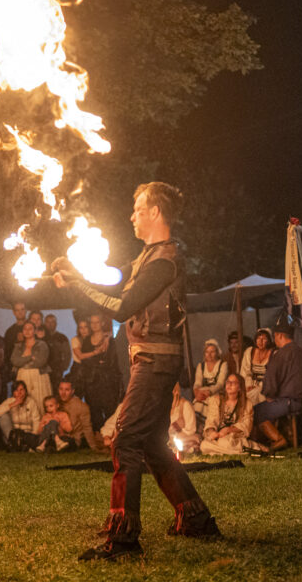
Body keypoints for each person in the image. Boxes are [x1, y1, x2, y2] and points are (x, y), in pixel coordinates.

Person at [53, 181, 219, 560]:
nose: (132, 215)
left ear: (155, 213)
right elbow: (113, 276)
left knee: (125, 439)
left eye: (138, 209)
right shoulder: (147, 258)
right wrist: (75, 269)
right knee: (153, 446)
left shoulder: (164, 261)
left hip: (157, 362)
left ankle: (123, 540)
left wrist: (78, 283)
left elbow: (122, 305)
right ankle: (195, 519)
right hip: (152, 360)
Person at [254, 317, 302, 451]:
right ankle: (285, 434)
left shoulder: (281, 354)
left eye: (275, 337)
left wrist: (269, 395)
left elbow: (271, 379)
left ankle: (278, 439)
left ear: (279, 336)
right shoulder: (301, 352)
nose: (275, 340)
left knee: (256, 411)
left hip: (290, 402)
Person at [77, 315, 119, 432]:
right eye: (92, 323)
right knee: (94, 409)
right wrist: (97, 359)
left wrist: (97, 361)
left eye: (97, 322)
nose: (94, 325)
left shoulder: (110, 339)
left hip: (106, 381)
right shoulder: (86, 340)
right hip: (91, 380)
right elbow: (84, 359)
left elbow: (112, 359)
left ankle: (110, 435)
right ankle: (99, 437)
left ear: (102, 323)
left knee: (109, 408)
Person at [200, 372, 253, 455]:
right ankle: (239, 451)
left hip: (233, 437)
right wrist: (212, 432)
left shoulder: (246, 403)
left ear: (239, 387)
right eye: (228, 382)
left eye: (233, 383)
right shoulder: (216, 400)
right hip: (218, 436)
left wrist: (229, 430)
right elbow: (211, 419)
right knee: (203, 445)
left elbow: (246, 425)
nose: (229, 385)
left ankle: (220, 450)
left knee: (225, 442)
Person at [10, 321, 51, 416]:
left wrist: (22, 360)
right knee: (24, 402)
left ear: (35, 331)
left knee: (39, 402)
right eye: (25, 329)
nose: (27, 331)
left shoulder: (42, 344)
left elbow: (41, 361)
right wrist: (30, 357)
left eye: (30, 329)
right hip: (22, 376)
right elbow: (14, 361)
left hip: (39, 377)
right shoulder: (18, 346)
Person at [0, 380, 40, 451]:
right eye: (16, 390)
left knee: (29, 438)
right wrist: (12, 405)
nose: (19, 393)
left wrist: (34, 436)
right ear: (13, 393)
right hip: (12, 436)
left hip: (27, 435)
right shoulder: (10, 401)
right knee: (3, 416)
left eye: (21, 390)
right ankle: (18, 444)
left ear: (25, 391)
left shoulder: (31, 402)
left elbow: (36, 421)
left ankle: (21, 446)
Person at [57, 379, 99, 450]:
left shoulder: (81, 406)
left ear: (72, 391)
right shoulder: (57, 403)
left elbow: (87, 427)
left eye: (67, 390)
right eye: (61, 389)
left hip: (72, 439)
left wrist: (94, 446)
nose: (63, 393)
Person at [193, 339, 227, 420]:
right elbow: (198, 382)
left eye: (212, 352)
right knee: (198, 403)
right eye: (207, 352)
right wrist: (196, 391)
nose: (209, 354)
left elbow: (220, 384)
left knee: (208, 402)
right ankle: (198, 426)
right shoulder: (201, 366)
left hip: (217, 393)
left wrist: (209, 392)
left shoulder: (223, 364)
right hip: (203, 393)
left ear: (217, 353)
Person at [241, 328, 274, 406]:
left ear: (269, 340)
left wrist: (260, 386)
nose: (260, 341)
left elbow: (273, 376)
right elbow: (244, 372)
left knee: (259, 394)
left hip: (267, 387)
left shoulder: (274, 354)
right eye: (258, 338)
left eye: (264, 338)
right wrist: (249, 385)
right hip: (250, 386)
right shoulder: (249, 352)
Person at [169, 383, 200, 455]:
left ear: (176, 392)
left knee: (182, 441)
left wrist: (175, 432)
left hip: (184, 437)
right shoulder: (166, 407)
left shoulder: (185, 405)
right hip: (170, 438)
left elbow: (191, 429)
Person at [43, 314, 72, 389]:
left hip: (56, 371)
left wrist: (63, 368)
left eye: (52, 322)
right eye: (48, 322)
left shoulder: (62, 337)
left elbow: (67, 354)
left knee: (56, 392)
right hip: (43, 371)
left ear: (56, 324)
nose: (50, 324)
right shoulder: (41, 337)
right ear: (44, 323)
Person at [2, 302, 28, 384]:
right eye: (17, 310)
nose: (20, 312)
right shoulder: (10, 331)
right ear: (13, 312)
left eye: (22, 309)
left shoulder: (32, 328)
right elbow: (7, 352)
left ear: (26, 310)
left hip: (31, 367)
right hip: (15, 369)